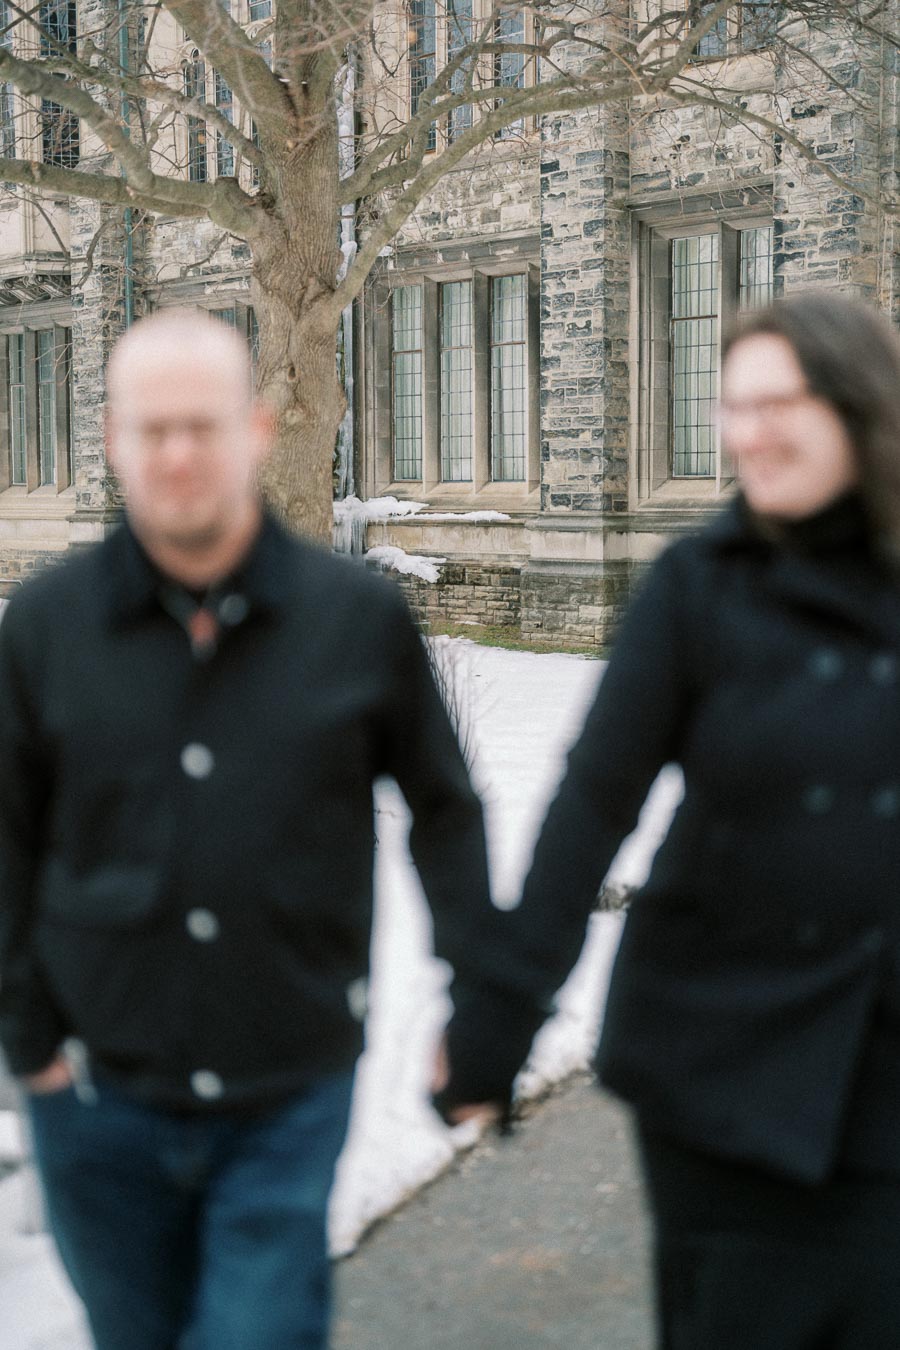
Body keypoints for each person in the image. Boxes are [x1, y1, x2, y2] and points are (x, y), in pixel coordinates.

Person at [0, 308, 498, 1350]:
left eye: (204, 425)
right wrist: (29, 1040)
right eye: (154, 428)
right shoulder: (44, 629)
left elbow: (445, 813)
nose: (179, 454)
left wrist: (478, 999)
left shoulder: (355, 619)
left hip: (287, 1088)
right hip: (97, 1095)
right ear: (113, 438)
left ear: (258, 429)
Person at [437, 291, 900, 1347]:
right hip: (722, 1063)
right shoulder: (700, 586)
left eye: (780, 403)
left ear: (859, 405)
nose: (750, 433)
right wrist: (494, 1021)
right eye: (735, 406)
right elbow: (593, 803)